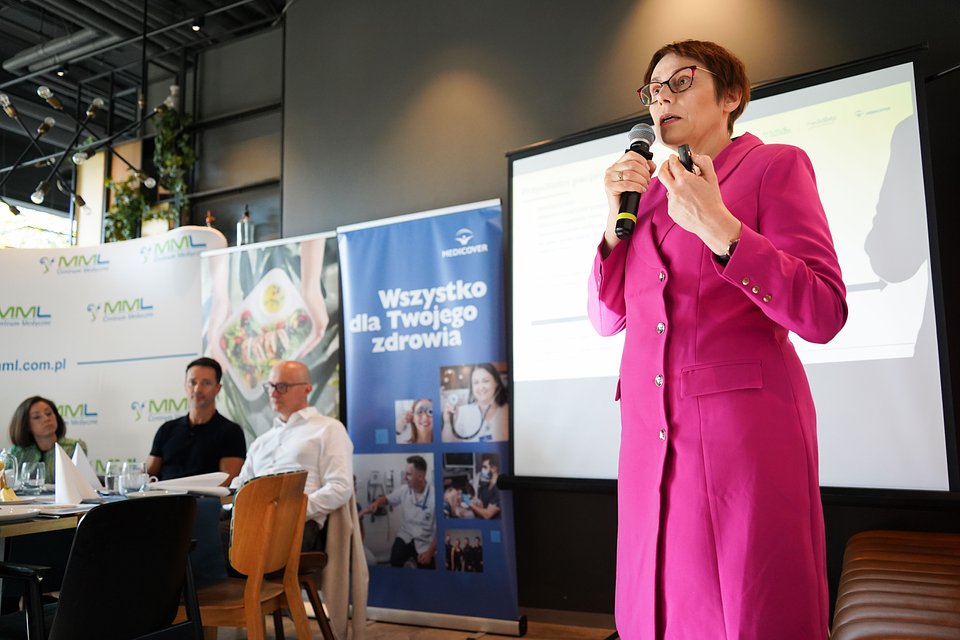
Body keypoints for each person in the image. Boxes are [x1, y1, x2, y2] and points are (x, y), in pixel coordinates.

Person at [587, 40, 847, 640]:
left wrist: (721, 227)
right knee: (655, 606)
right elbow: (607, 321)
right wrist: (611, 219)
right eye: (652, 91)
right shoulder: (647, 195)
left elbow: (824, 311)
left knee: (746, 605)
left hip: (739, 438)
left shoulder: (774, 165)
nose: (662, 99)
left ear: (731, 97)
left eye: (680, 82)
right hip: (650, 438)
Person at [232, 360, 354, 551]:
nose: (273, 393)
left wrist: (292, 511)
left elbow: (340, 487)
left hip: (298, 526)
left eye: (282, 386)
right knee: (197, 533)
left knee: (211, 542)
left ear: (307, 389)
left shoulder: (328, 428)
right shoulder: (262, 442)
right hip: (250, 521)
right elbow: (240, 486)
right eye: (270, 386)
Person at [146, 357, 246, 485]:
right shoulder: (167, 429)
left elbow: (228, 483)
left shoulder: (231, 432)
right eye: (192, 382)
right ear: (185, 385)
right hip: (164, 501)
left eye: (206, 383)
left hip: (205, 503)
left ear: (218, 388)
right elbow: (149, 475)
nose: (197, 389)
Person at [360, 455, 437, 568]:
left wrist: (430, 552)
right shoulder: (405, 490)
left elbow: (441, 531)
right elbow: (386, 498)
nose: (405, 477)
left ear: (420, 476)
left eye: (409, 474)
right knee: (395, 561)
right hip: (405, 536)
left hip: (424, 541)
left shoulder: (435, 497)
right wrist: (377, 503)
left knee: (427, 569)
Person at [8, 396, 87, 483]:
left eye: (49, 413)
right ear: (26, 425)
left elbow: (78, 484)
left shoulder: (74, 447)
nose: (46, 419)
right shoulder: (17, 452)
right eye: (37, 417)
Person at [441, 363, 509, 442]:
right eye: (476, 382)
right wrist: (448, 423)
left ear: (496, 383)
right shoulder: (462, 412)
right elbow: (448, 444)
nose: (481, 387)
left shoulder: (508, 411)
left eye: (485, 381)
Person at [469, 452, 502, 520]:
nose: (482, 470)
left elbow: (487, 514)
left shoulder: (499, 489)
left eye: (485, 467)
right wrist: (474, 501)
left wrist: (470, 504)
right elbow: (483, 506)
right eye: (482, 467)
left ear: (494, 469)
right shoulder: (485, 485)